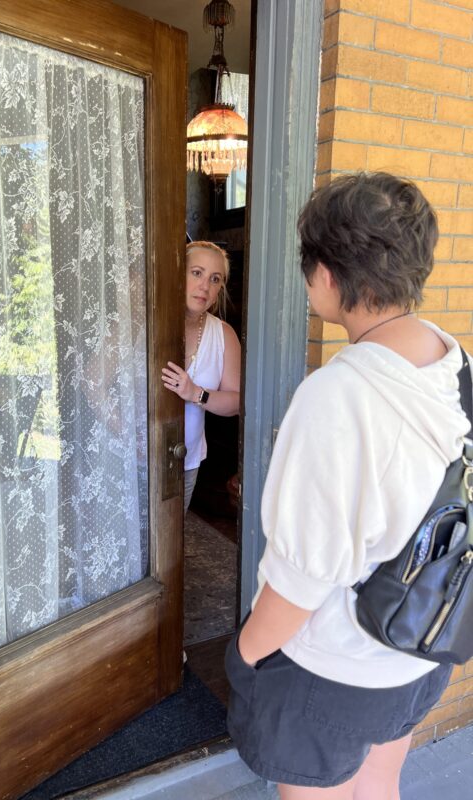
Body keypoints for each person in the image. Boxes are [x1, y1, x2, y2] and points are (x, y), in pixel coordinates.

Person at [225, 172, 466, 799]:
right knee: (380, 783)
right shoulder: (456, 364)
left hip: (334, 668)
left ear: (327, 276)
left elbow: (304, 578)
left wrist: (245, 656)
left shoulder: (337, 396)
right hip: (422, 644)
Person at [161, 241, 241, 514]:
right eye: (196, 273)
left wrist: (196, 393)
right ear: (177, 273)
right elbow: (92, 382)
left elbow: (235, 402)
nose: (205, 285)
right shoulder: (145, 321)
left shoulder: (224, 335)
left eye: (215, 279)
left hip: (185, 459)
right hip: (131, 457)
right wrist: (120, 430)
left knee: (171, 546)